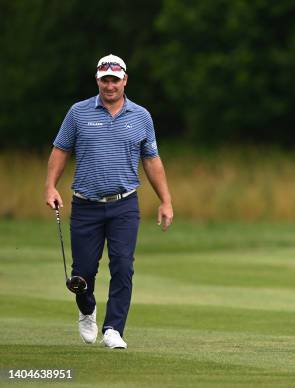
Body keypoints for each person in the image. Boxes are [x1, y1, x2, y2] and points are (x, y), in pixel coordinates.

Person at [44, 54, 173, 349]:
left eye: (115, 79)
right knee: (83, 273)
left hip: (124, 204)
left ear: (125, 80)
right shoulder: (78, 113)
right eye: (105, 79)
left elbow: (152, 160)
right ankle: (87, 309)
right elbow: (60, 151)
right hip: (85, 204)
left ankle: (114, 328)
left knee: (123, 266)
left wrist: (165, 200)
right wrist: (50, 187)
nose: (110, 85)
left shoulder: (141, 116)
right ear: (98, 80)